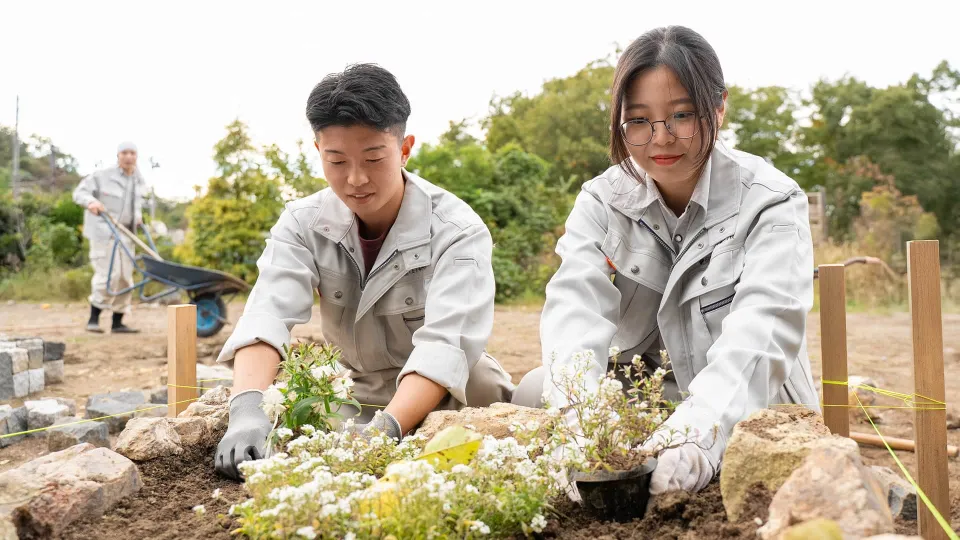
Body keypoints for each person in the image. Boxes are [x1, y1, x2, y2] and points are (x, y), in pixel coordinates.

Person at [512, 26, 819, 495]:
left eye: (682, 114)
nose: (661, 137)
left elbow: (761, 336)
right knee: (537, 389)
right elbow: (574, 314)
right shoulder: (602, 202)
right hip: (647, 404)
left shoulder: (771, 203)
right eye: (639, 120)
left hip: (749, 402)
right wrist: (582, 428)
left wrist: (694, 438)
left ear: (719, 108)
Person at [214, 64, 515, 480]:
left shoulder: (457, 232)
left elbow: (445, 349)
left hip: (452, 396)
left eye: (374, 158)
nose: (355, 179)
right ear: (318, 150)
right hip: (355, 393)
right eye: (336, 161)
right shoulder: (302, 223)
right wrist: (247, 412)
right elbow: (268, 314)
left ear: (405, 148)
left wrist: (386, 430)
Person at [72, 141, 146, 334]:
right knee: (108, 275)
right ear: (118, 155)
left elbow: (136, 204)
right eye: (125, 153)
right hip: (103, 233)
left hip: (127, 234)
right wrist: (92, 202)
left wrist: (137, 218)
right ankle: (93, 319)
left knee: (125, 278)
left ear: (136, 156)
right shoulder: (102, 176)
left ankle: (118, 322)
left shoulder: (138, 179)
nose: (129, 157)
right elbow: (79, 193)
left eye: (132, 153)